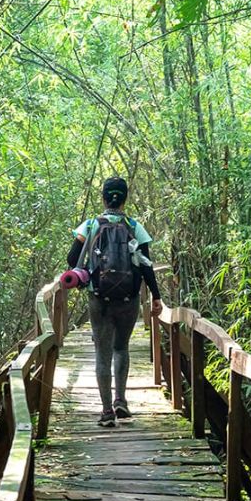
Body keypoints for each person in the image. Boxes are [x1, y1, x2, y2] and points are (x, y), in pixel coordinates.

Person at [66, 177, 163, 428]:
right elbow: (146, 265)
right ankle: (121, 400)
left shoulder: (89, 225)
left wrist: (82, 273)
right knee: (122, 347)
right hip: (129, 299)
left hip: (99, 297)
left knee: (102, 352)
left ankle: (107, 411)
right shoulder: (134, 225)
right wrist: (156, 296)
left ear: (104, 197)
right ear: (125, 198)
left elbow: (72, 257)